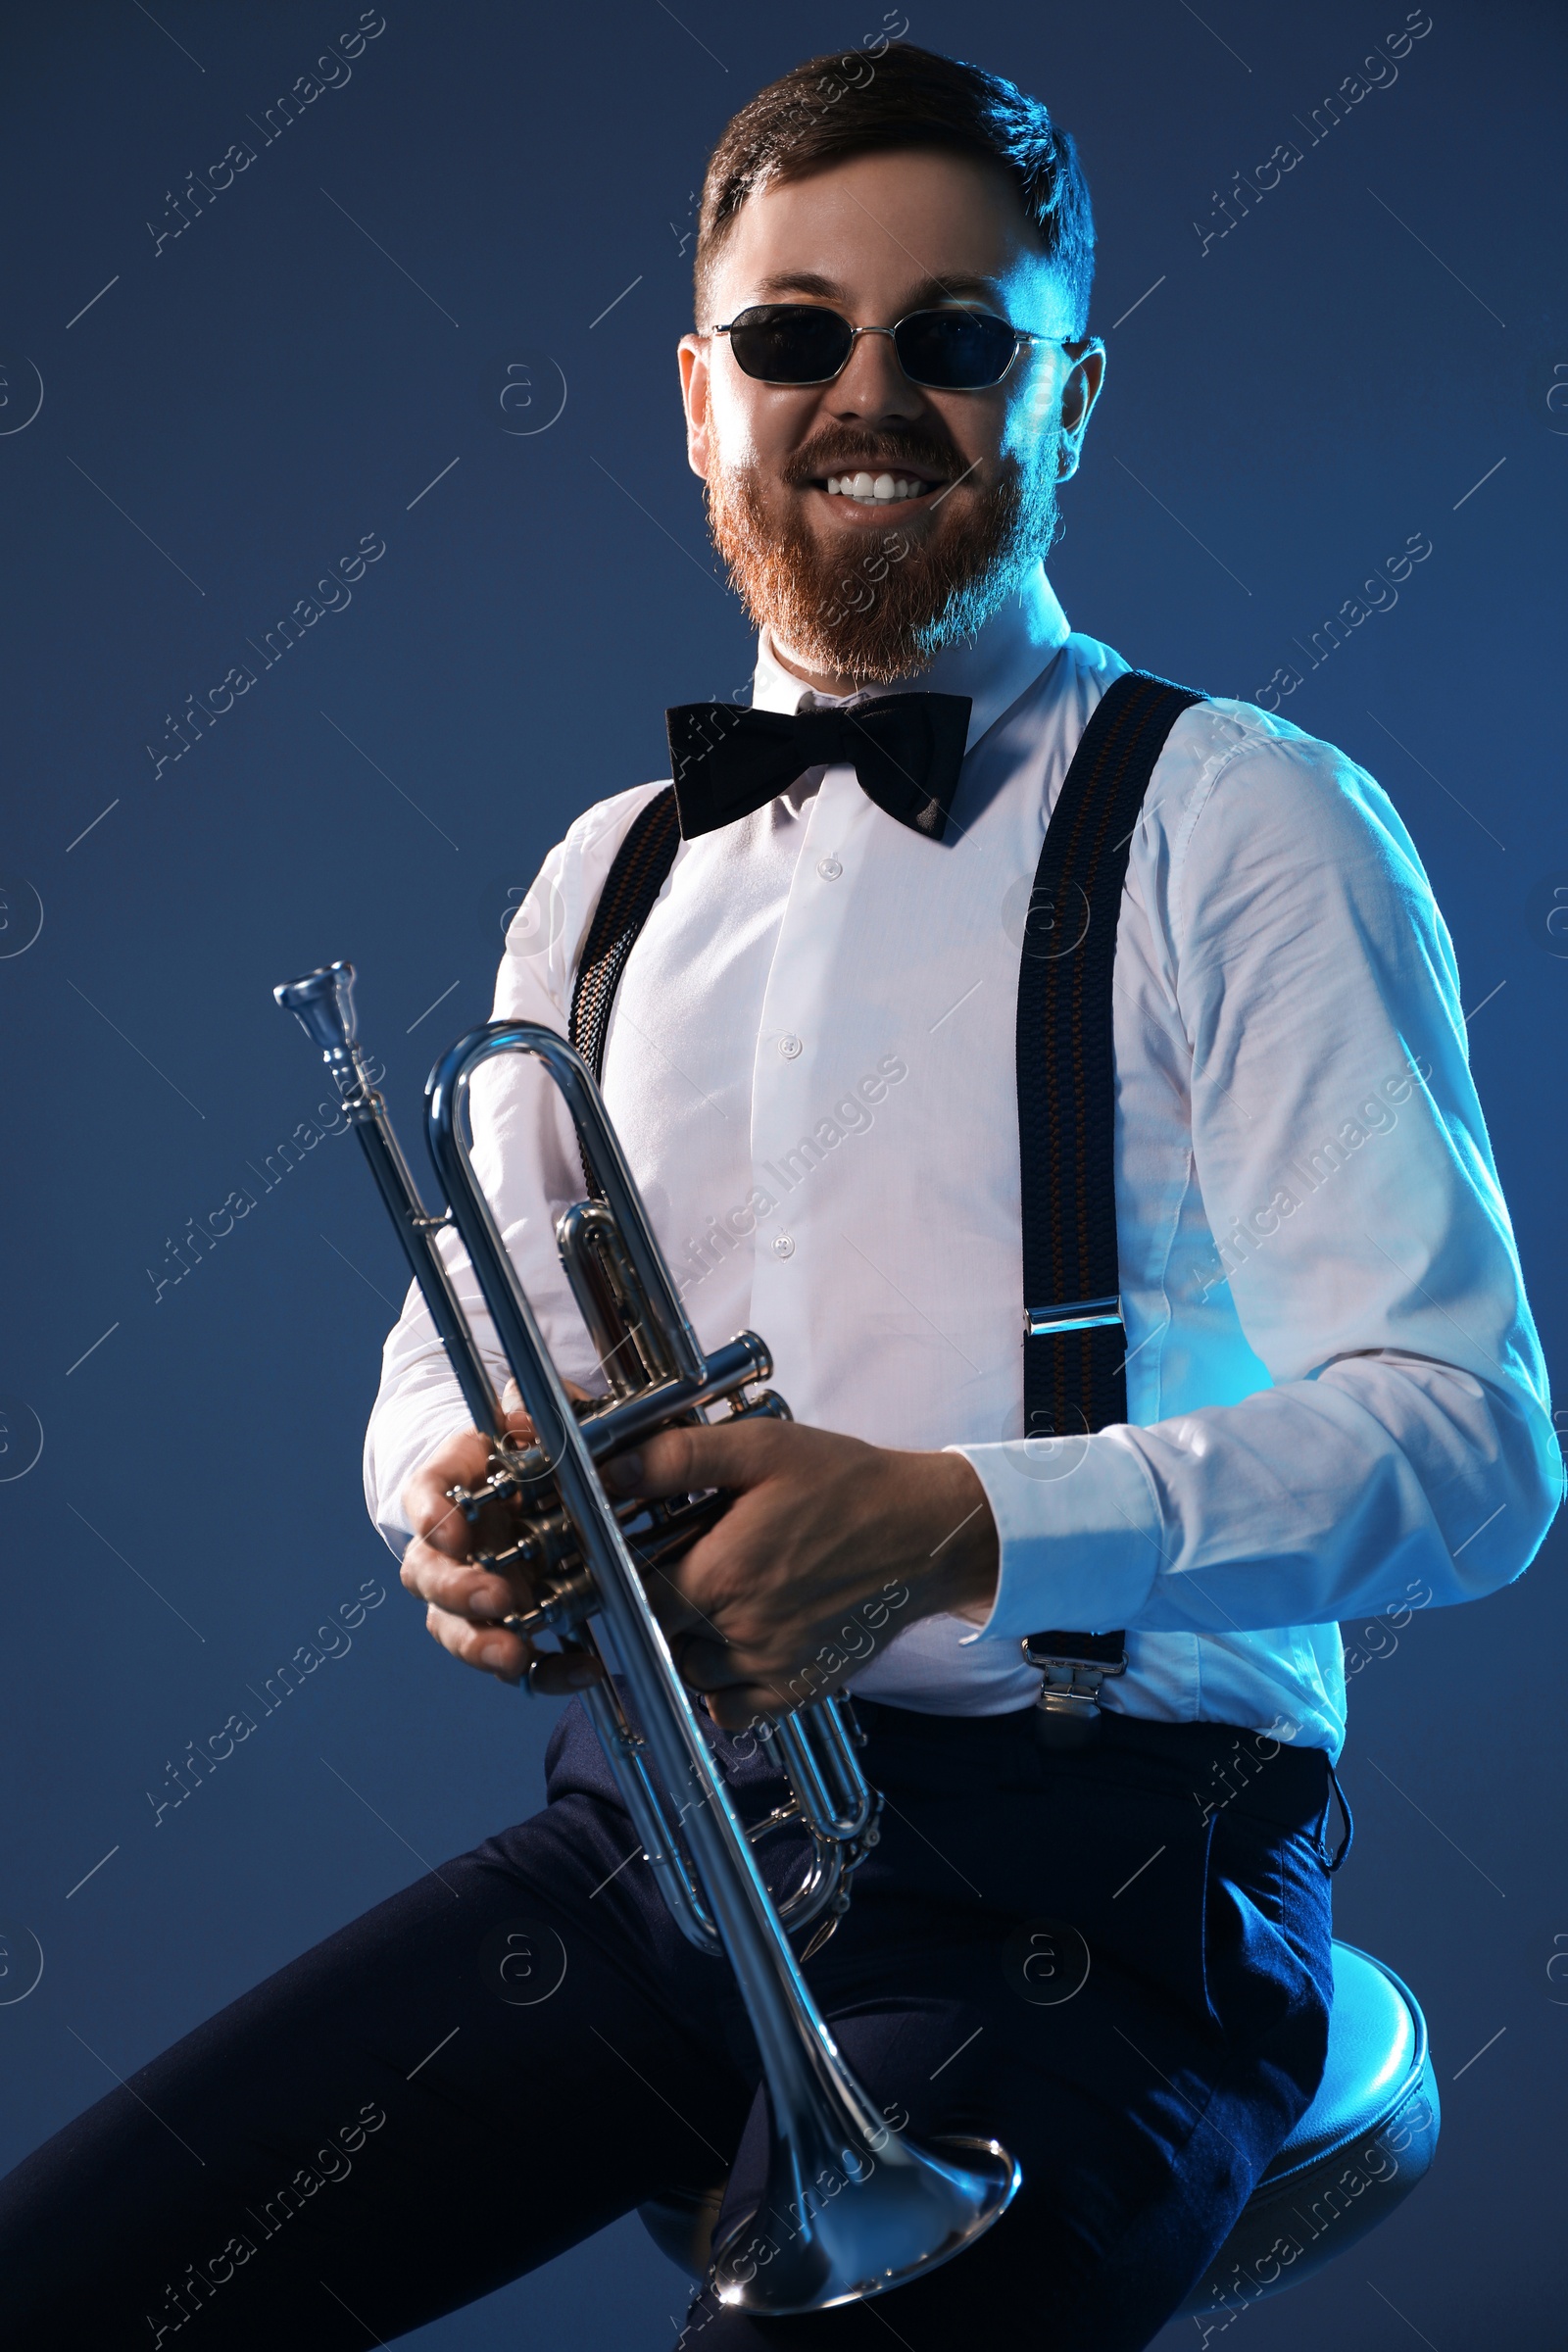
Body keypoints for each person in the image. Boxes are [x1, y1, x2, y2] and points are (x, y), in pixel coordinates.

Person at [0, 41, 1557, 2352]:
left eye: (954, 339)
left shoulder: (1245, 822)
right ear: (694, 391)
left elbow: (1473, 1453)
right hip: (657, 1861)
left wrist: (946, 1523)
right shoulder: (599, 884)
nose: (870, 393)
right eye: (793, 332)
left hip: (1109, 1885)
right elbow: (450, 1344)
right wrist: (450, 1492)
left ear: (1070, 396)